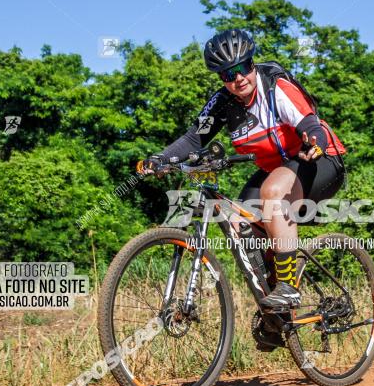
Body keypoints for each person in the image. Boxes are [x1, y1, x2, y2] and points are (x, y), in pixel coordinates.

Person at [142, 28, 347, 312]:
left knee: (273, 192)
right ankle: (275, 311)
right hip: (276, 169)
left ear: (252, 63)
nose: (238, 78)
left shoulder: (275, 86)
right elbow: (193, 138)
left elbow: (310, 123)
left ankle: (288, 289)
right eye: (228, 74)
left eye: (242, 68)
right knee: (237, 222)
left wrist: (316, 140)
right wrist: (160, 159)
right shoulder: (223, 104)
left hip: (317, 161)